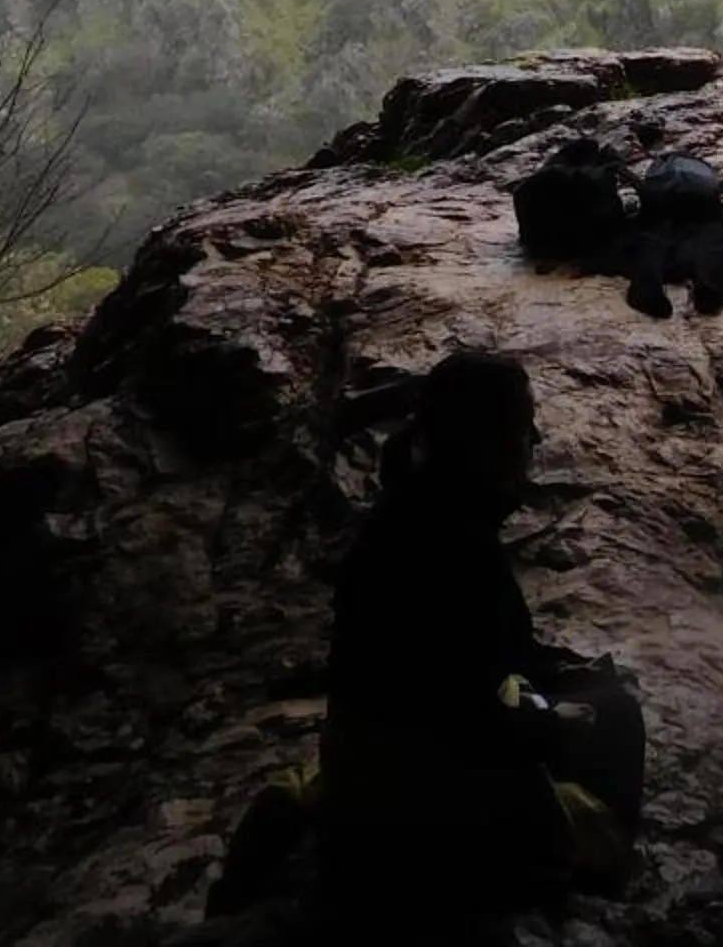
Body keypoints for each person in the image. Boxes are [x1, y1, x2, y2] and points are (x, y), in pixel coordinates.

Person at [209, 350, 642, 920]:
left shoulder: (403, 510)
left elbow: (442, 673)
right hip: (427, 822)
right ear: (496, 445)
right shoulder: (460, 550)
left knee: (572, 691)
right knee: (613, 714)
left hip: (357, 777)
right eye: (523, 426)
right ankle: (580, 871)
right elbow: (466, 720)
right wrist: (551, 725)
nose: (534, 439)